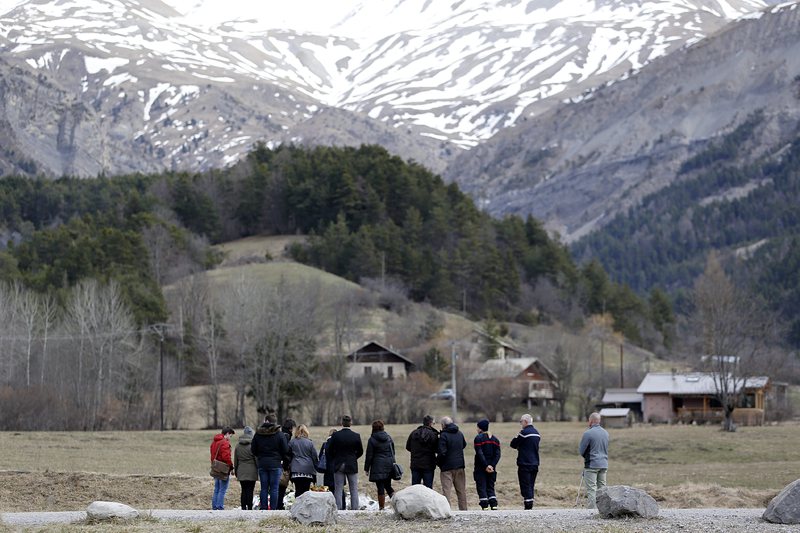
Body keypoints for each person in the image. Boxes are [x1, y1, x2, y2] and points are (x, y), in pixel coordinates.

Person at [251, 414, 289, 510]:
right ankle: (273, 509)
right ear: (275, 422)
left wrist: (260, 455)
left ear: (266, 421)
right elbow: (285, 449)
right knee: (274, 488)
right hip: (275, 463)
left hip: (262, 463)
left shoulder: (258, 434)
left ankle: (263, 508)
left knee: (264, 488)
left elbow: (253, 450)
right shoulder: (279, 434)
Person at [327, 415, 364, 510]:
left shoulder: (336, 435)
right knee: (353, 488)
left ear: (341, 423)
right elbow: (360, 451)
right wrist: (354, 458)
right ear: (350, 423)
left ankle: (338, 509)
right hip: (351, 464)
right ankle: (355, 508)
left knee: (338, 489)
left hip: (339, 464)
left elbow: (329, 450)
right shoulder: (356, 436)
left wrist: (335, 458)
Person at [510, 413, 541, 510]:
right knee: (531, 484)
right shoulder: (537, 433)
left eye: (521, 422)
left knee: (525, 485)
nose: (520, 424)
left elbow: (513, 444)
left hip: (524, 463)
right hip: (535, 462)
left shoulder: (523, 433)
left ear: (525, 422)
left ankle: (528, 505)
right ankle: (530, 502)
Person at [579, 411, 609, 509]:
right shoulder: (606, 433)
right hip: (604, 463)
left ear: (590, 421)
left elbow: (582, 450)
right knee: (603, 489)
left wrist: (586, 457)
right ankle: (603, 509)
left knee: (592, 489)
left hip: (592, 464)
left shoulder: (588, 433)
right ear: (599, 421)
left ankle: (592, 510)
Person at [437, 415, 468, 510]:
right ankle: (464, 510)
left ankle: (447, 511)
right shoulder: (459, 433)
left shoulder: (443, 435)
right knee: (461, 491)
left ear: (443, 425)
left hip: (447, 467)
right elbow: (464, 445)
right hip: (460, 466)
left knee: (447, 491)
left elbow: (442, 452)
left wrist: (438, 462)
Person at [365, 420, 396, 510]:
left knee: (380, 487)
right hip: (389, 464)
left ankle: (381, 508)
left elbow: (369, 455)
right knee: (388, 486)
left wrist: (367, 468)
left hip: (377, 465)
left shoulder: (372, 439)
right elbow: (392, 451)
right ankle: (397, 502)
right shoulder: (389, 437)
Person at [473, 419, 501, 510]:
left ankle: (484, 505)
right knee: (490, 486)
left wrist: (486, 465)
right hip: (492, 468)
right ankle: (494, 504)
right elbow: (497, 454)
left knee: (481, 486)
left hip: (481, 467)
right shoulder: (495, 439)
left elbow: (479, 453)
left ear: (480, 428)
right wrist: (492, 465)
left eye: (477, 427)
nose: (477, 429)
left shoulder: (478, 438)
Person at [406, 414, 439, 489]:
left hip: (415, 464)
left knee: (415, 488)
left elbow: (408, 447)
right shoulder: (433, 435)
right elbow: (437, 449)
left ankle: (415, 500)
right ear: (430, 423)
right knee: (428, 488)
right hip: (429, 465)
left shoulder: (414, 433)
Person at [319, 428, 346, 509]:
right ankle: (342, 507)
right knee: (340, 490)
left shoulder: (325, 445)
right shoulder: (341, 445)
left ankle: (329, 508)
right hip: (339, 469)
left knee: (329, 490)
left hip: (328, 470)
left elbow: (320, 457)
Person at [289, 424, 319, 497]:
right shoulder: (310, 443)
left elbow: (288, 455)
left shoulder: (292, 442)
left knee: (298, 490)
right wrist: (316, 467)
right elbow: (314, 456)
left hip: (295, 470)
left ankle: (297, 506)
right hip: (308, 470)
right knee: (306, 491)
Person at [210, 426, 235, 510]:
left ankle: (214, 506)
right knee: (222, 489)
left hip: (216, 468)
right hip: (223, 469)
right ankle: (219, 506)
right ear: (227, 434)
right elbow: (226, 457)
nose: (230, 438)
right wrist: (231, 467)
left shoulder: (214, 442)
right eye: (230, 436)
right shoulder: (224, 443)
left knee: (216, 488)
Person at [234, 426, 258, 510]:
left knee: (243, 489)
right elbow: (256, 460)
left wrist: (236, 471)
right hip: (252, 471)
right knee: (250, 490)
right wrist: (258, 469)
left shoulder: (238, 446)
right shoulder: (253, 446)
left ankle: (243, 507)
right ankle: (250, 507)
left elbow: (236, 461)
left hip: (241, 470)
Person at [276, 418, 296, 510]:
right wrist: (287, 463)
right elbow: (286, 451)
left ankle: (277, 504)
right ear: (291, 428)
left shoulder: (279, 434)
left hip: (277, 462)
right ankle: (279, 505)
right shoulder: (287, 436)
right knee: (282, 486)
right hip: (284, 465)